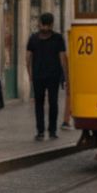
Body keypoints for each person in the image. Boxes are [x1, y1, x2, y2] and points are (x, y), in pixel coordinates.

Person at [26, 12, 68, 140]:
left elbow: (28, 58)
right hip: (53, 75)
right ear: (52, 24)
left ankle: (40, 131)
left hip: (38, 75)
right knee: (53, 103)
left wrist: (30, 74)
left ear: (40, 23)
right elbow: (62, 59)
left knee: (39, 103)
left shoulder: (33, 38)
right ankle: (52, 130)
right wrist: (66, 75)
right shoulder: (58, 38)